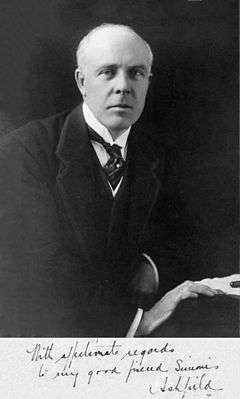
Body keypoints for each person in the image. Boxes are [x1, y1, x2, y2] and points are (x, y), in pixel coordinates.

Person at [0, 23, 223, 337]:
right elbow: (39, 267)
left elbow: (193, 241)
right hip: (54, 340)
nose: (124, 86)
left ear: (147, 81)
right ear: (82, 81)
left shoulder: (164, 155)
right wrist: (138, 321)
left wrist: (151, 267)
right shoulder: (26, 151)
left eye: (136, 73)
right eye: (108, 72)